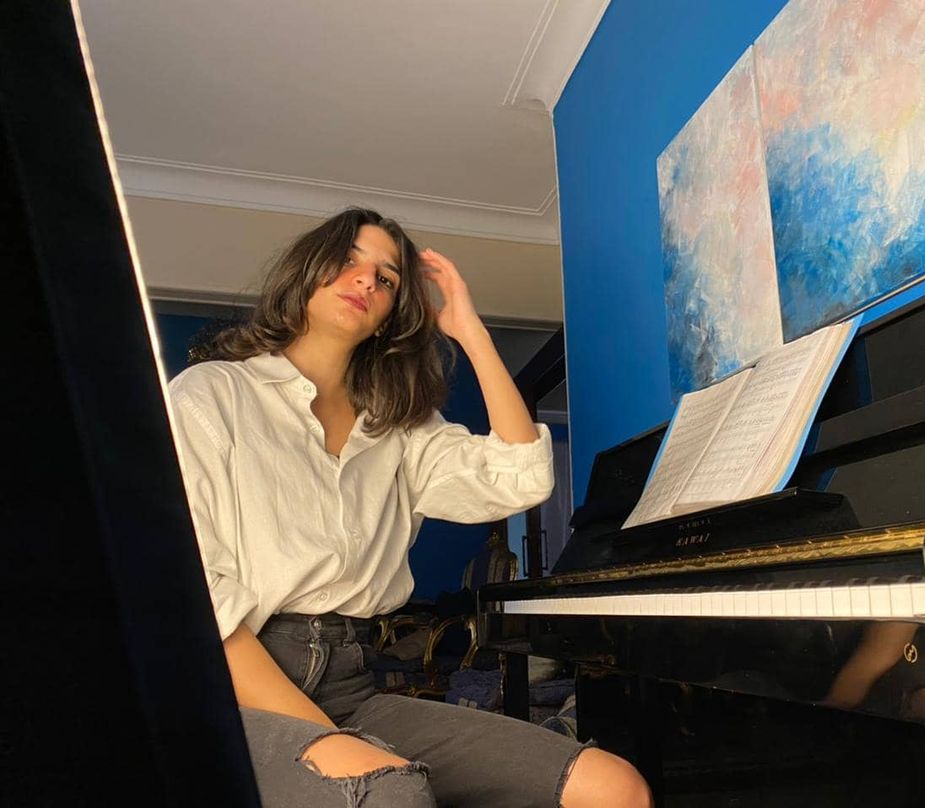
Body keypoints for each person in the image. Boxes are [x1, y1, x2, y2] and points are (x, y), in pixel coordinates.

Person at [168, 207, 652, 808]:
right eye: (348, 260)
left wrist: (470, 332)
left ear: (390, 315)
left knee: (615, 787)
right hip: (237, 685)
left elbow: (521, 478)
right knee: (395, 794)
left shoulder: (398, 426)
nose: (366, 280)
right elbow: (198, 594)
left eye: (387, 278)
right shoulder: (213, 395)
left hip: (352, 683)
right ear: (305, 271)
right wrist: (336, 746)